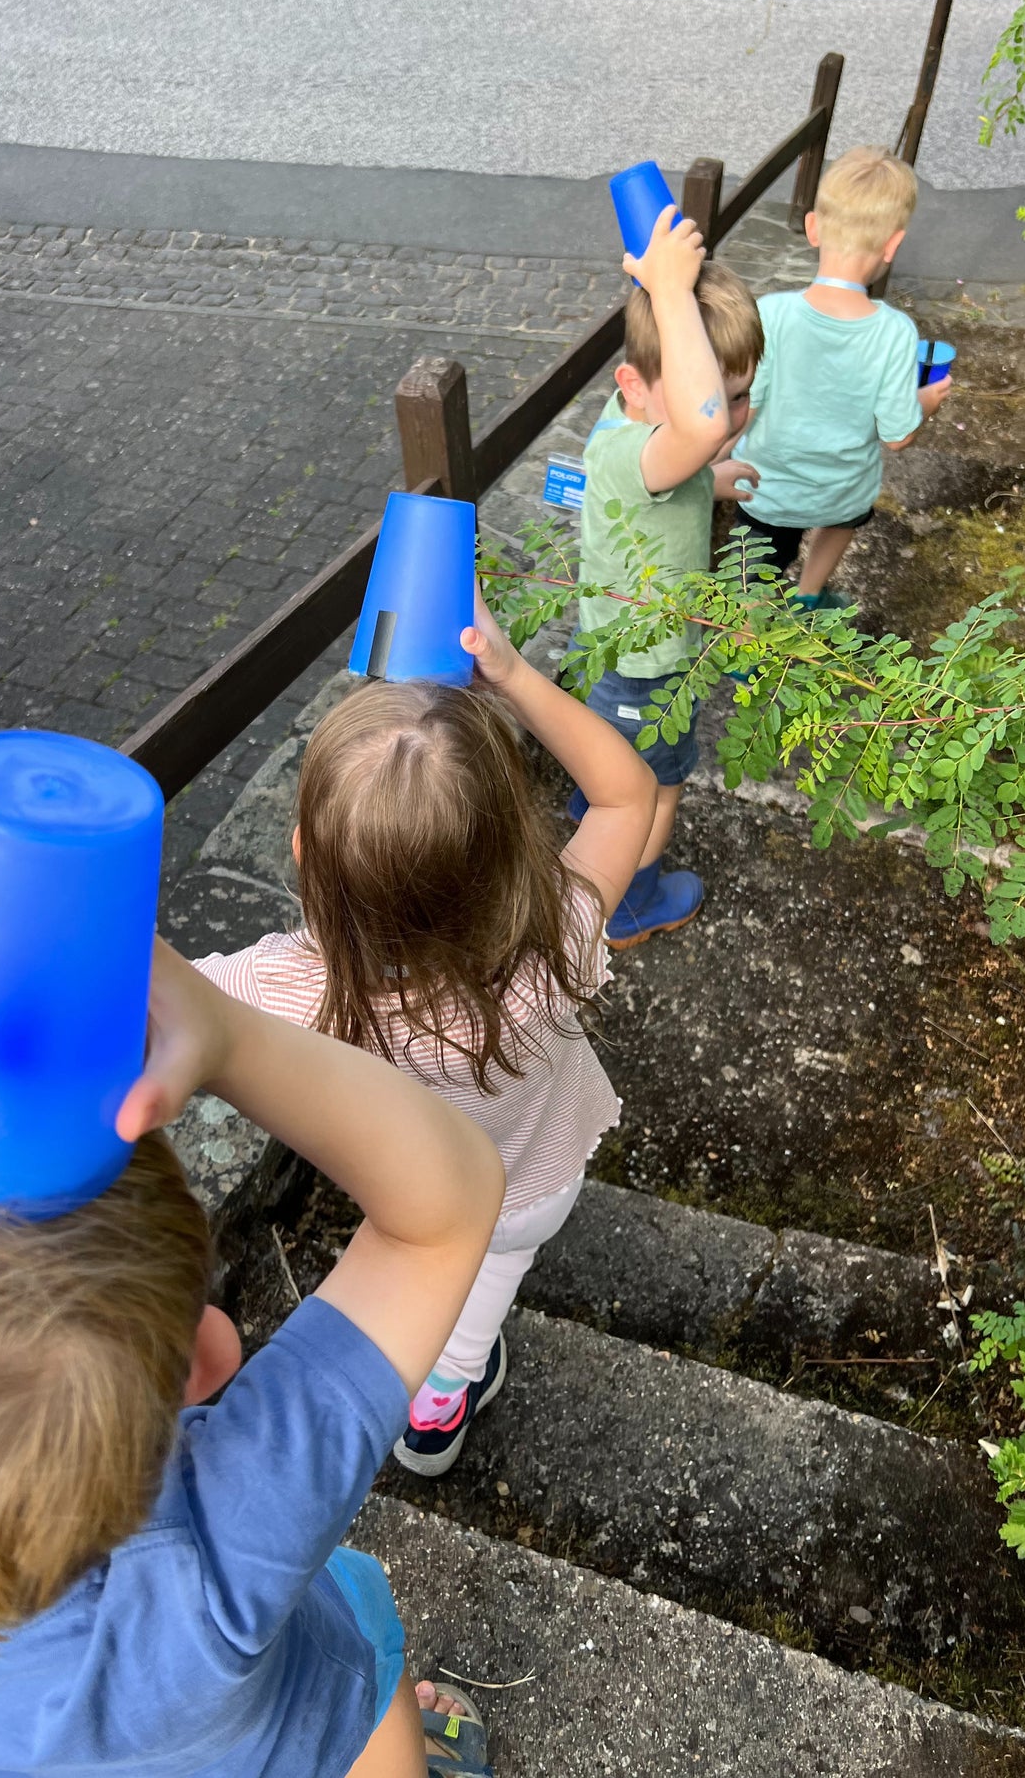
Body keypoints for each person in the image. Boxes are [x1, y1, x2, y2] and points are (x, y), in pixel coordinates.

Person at [0, 940, 504, 1778]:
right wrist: (231, 1038)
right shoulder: (215, 1558)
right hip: (298, 1743)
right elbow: (447, 1205)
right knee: (361, 1677)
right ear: (208, 1354)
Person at [197, 591, 656, 1478]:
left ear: (304, 859)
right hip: (534, 1182)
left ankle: (428, 1389)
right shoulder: (555, 932)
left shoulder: (287, 988)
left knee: (446, 1269)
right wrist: (514, 675)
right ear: (518, 845)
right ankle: (443, 1399)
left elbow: (149, 1003)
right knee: (491, 1275)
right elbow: (624, 793)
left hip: (410, 1198)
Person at [573, 207, 765, 948]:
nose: (731, 418)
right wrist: (671, 291)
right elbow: (699, 426)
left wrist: (709, 480)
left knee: (618, 766)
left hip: (620, 660)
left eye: (744, 395)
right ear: (635, 386)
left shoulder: (641, 430)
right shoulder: (635, 451)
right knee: (658, 784)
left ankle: (596, 814)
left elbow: (687, 444)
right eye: (720, 402)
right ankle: (628, 903)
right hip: (644, 672)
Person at [731, 144, 953, 608]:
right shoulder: (894, 332)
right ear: (893, 244)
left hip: (767, 488)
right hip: (842, 492)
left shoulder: (770, 314)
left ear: (813, 227)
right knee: (845, 521)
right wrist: (928, 401)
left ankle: (743, 640)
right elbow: (896, 437)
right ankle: (809, 595)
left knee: (754, 569)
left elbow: (746, 407)